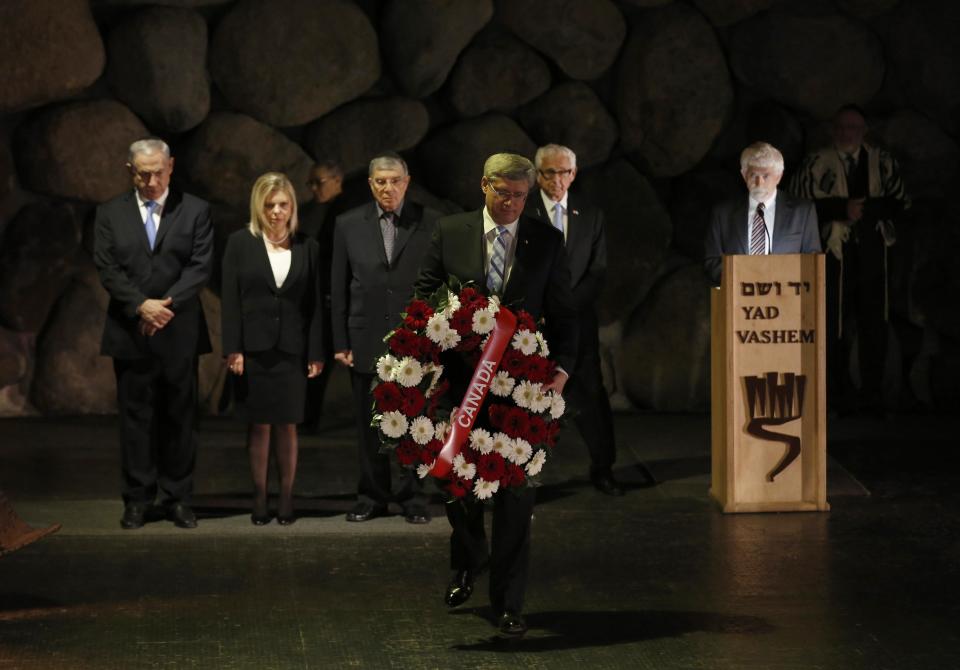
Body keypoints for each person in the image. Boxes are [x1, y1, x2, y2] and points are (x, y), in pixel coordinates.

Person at [414, 153, 578, 637]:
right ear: (483, 185)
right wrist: (429, 341)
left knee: (515, 498)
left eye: (520, 197)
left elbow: (566, 312)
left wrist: (563, 372)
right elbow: (423, 295)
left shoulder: (546, 241)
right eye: (502, 193)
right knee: (451, 479)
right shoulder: (451, 230)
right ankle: (469, 557)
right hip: (458, 383)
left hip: (520, 390)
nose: (510, 204)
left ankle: (508, 603)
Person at [93, 138, 213, 530]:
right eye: (143, 173)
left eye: (158, 171)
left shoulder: (195, 210)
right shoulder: (110, 213)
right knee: (135, 419)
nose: (151, 180)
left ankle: (178, 498)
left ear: (171, 166)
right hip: (131, 331)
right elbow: (107, 267)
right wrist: (141, 305)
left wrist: (165, 306)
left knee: (179, 418)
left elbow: (199, 266)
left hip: (178, 332)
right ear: (130, 171)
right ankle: (138, 500)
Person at [330, 152, 440, 525]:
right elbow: (338, 287)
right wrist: (339, 340)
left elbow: (438, 285)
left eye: (394, 180)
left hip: (415, 341)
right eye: (380, 181)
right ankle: (372, 495)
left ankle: (413, 495)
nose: (388, 187)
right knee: (369, 423)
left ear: (406, 182)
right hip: (365, 335)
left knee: (415, 421)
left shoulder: (431, 222)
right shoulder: (347, 224)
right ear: (371, 184)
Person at [790, 105, 910, 413]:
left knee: (874, 320)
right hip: (833, 253)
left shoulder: (882, 162)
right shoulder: (817, 162)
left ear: (864, 131)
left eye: (854, 128)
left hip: (873, 251)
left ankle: (872, 392)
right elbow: (800, 202)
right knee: (832, 321)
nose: (848, 133)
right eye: (842, 127)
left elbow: (901, 202)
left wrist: (866, 211)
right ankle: (834, 393)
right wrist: (841, 210)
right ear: (834, 130)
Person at [221, 173, 325, 525]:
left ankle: (286, 497)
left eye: (283, 204)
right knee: (259, 425)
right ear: (258, 207)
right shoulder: (239, 243)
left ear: (292, 207)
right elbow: (231, 302)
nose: (276, 211)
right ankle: (260, 497)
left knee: (288, 425)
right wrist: (232, 349)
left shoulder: (307, 246)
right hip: (253, 349)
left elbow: (315, 306)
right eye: (269, 205)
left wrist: (315, 352)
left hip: (293, 350)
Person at [524, 143, 622, 496]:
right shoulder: (524, 211)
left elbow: (597, 271)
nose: (557, 180)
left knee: (590, 394)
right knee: (529, 397)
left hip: (578, 320)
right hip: (533, 324)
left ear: (574, 174)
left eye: (564, 172)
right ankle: (523, 474)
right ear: (538, 176)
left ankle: (603, 468)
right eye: (549, 172)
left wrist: (566, 307)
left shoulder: (590, 214)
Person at [704, 141, 821, 286]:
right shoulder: (722, 213)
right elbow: (712, 261)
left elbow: (813, 261)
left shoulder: (802, 212)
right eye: (754, 175)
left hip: (787, 300)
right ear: (744, 174)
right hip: (738, 301)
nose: (759, 183)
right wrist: (746, 280)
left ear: (778, 176)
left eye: (766, 176)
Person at [298, 160, 348, 431]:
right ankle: (308, 417)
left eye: (319, 182)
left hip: (335, 297)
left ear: (336, 179)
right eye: (311, 183)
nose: (314, 188)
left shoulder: (346, 212)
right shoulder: (318, 211)